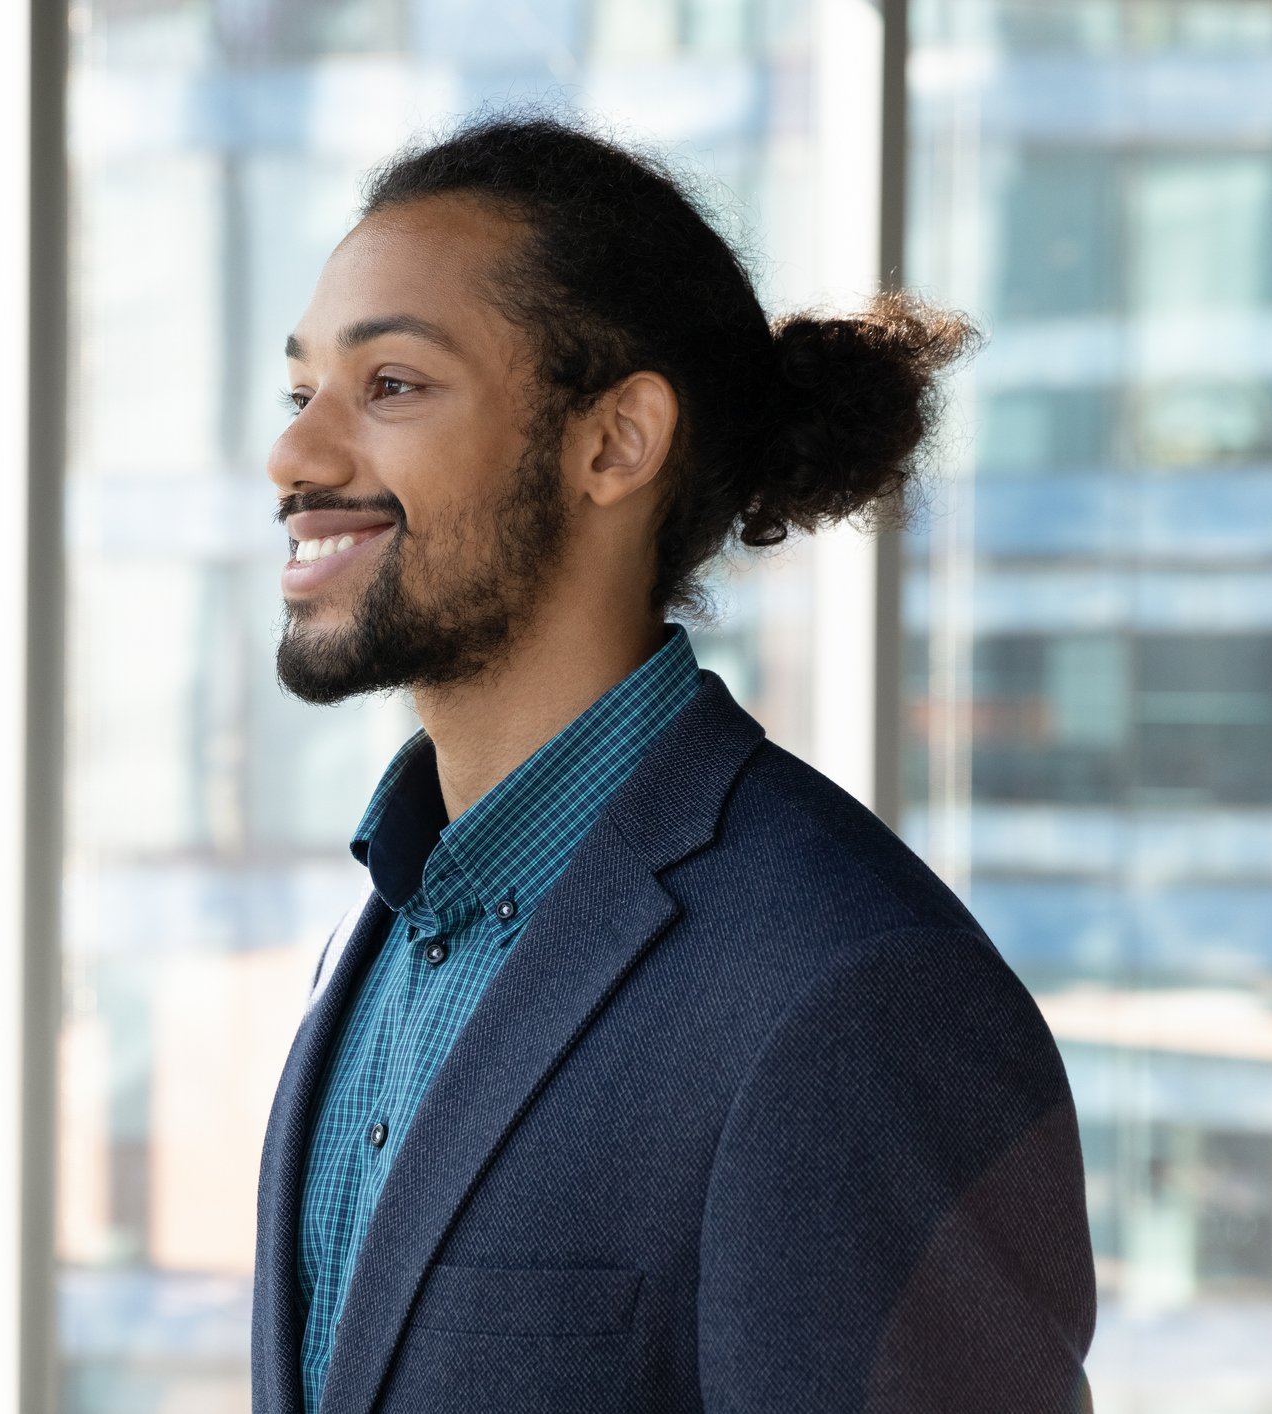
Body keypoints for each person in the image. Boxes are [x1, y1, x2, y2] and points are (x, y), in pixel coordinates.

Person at [251, 112, 1095, 1414]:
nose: (294, 455)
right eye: (300, 389)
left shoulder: (854, 991)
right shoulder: (375, 933)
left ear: (613, 442)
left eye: (393, 385)